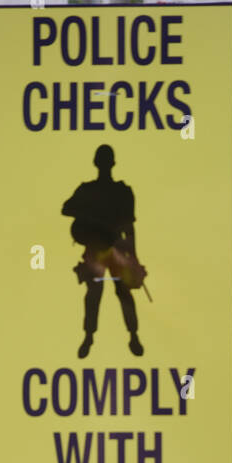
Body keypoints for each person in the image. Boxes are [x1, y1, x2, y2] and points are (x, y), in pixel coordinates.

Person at [62, 144, 145, 359]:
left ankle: (133, 335)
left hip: (115, 250)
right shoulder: (88, 190)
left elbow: (129, 227)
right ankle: (89, 336)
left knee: (122, 293)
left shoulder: (122, 192)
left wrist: (133, 257)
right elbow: (66, 208)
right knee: (94, 294)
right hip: (96, 249)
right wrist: (93, 218)